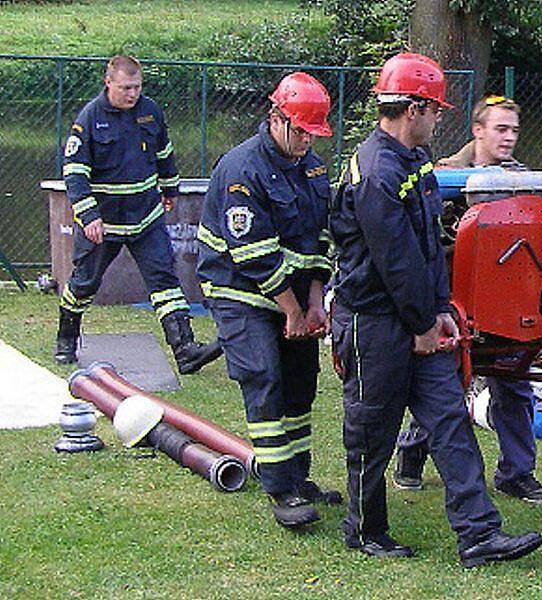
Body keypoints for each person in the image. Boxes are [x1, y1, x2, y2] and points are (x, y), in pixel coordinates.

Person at [330, 52, 542, 567]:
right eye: (435, 110)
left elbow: (429, 248)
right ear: (414, 109)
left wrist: (443, 308)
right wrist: (422, 324)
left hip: (417, 319)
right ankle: (365, 529)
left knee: (449, 421)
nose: (439, 118)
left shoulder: (413, 162)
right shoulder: (378, 172)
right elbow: (394, 262)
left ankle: (479, 535)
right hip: (375, 324)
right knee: (371, 430)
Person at [393, 95, 542, 505]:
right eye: (501, 129)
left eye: (515, 130)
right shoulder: (442, 174)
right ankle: (412, 453)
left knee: (514, 382)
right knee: (442, 384)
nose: (509, 138)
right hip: (457, 301)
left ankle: (518, 472)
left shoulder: (527, 181)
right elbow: (431, 243)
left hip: (508, 301)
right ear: (478, 130)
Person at [196, 72, 341, 528]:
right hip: (239, 289)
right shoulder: (241, 170)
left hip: (294, 294)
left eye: (313, 135)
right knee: (264, 375)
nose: (305, 143)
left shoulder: (312, 167)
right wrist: (293, 310)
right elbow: (253, 253)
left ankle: (299, 478)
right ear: (276, 118)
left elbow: (320, 234)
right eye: (299, 132)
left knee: (301, 382)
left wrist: (316, 299)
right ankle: (280, 489)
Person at [55, 55, 221, 375]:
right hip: (103, 222)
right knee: (84, 284)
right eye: (126, 88)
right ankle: (66, 340)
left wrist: (171, 189)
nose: (132, 94)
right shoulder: (89, 119)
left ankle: (185, 350)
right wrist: (88, 216)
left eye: (137, 87)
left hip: (146, 218)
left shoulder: (150, 111)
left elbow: (164, 154)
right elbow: (74, 174)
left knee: (165, 282)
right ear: (109, 84)